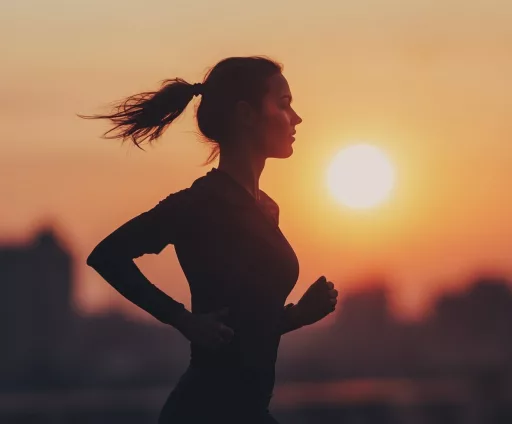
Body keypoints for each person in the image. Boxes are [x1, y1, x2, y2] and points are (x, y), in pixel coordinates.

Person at [78, 55, 339, 424]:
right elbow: (107, 256)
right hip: (206, 409)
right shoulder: (202, 203)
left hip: (247, 411)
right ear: (246, 114)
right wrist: (183, 320)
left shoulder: (266, 209)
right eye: (283, 105)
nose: (295, 118)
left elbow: (241, 327)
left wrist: (297, 316)